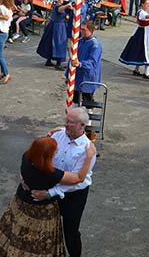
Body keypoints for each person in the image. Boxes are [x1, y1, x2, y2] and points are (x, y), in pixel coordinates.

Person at [0, 136, 96, 256]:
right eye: (54, 150)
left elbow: (37, 149)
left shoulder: (26, 157)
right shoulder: (49, 173)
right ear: (46, 156)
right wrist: (89, 156)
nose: (57, 150)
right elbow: (78, 178)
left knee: (15, 231)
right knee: (36, 241)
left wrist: (23, 178)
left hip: (21, 203)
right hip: (40, 211)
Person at [28, 108, 97, 257]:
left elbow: (77, 179)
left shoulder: (88, 150)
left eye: (70, 122)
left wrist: (50, 193)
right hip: (51, 186)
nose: (66, 124)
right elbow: (43, 157)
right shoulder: (58, 135)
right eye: (66, 120)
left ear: (82, 125)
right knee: (45, 227)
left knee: (71, 233)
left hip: (74, 195)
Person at [119, 0, 149, 79]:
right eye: (146, 3)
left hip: (143, 32)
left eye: (148, 4)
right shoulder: (141, 12)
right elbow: (147, 17)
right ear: (142, 4)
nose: (148, 5)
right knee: (146, 50)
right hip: (143, 33)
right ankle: (146, 72)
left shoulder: (142, 12)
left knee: (140, 50)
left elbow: (148, 19)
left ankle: (137, 69)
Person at [68, 21, 102, 104]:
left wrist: (80, 64)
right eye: (81, 29)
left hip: (88, 76)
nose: (81, 31)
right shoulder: (79, 41)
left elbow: (93, 62)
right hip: (77, 76)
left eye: (84, 30)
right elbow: (72, 59)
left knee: (87, 101)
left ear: (90, 30)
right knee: (75, 99)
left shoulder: (95, 45)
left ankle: (88, 111)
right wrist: (67, 75)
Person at [37, 0, 72, 70]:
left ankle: (49, 60)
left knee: (50, 43)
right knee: (59, 44)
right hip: (58, 27)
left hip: (55, 26)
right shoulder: (57, 6)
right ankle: (58, 64)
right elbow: (59, 10)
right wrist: (67, 5)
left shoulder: (57, 5)